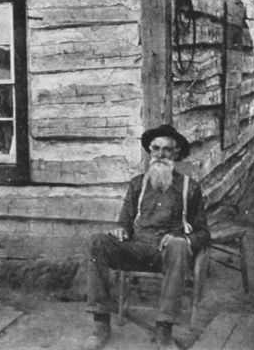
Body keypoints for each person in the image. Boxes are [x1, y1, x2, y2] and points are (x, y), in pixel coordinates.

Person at [84, 124, 210, 350]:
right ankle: (100, 324)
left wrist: (183, 240)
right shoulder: (137, 184)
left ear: (177, 153)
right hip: (136, 249)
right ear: (150, 151)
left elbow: (203, 232)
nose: (161, 155)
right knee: (96, 242)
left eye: (167, 150)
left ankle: (164, 330)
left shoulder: (190, 188)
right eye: (156, 149)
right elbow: (124, 221)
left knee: (179, 246)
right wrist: (121, 230)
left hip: (168, 254)